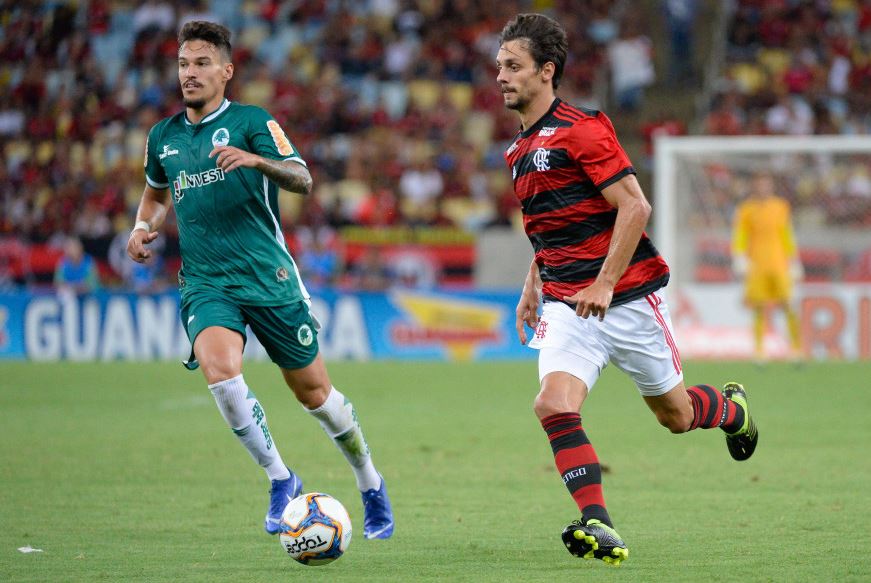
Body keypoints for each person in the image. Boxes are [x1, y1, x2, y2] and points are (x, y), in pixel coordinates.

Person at [496, 13, 758, 566]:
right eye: (499, 66)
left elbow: (635, 206)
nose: (501, 76)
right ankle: (597, 521)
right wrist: (533, 284)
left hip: (629, 300)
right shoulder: (517, 152)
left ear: (547, 71)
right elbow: (550, 227)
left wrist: (606, 282)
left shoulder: (583, 128)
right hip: (569, 305)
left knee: (677, 417)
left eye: (513, 66)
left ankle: (731, 409)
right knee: (551, 404)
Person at [127, 21, 393, 539]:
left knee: (316, 395)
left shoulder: (252, 121)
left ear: (227, 71)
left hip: (269, 279)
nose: (190, 73)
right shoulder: (162, 137)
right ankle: (281, 477)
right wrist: (141, 227)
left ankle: (370, 481)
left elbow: (303, 178)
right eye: (183, 64)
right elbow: (156, 195)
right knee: (222, 374)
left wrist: (255, 160)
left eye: (202, 63)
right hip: (206, 281)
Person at [731, 171, 803, 361]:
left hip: (779, 264)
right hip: (757, 265)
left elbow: (787, 234)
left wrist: (794, 260)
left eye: (766, 184)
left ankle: (796, 349)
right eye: (759, 184)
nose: (763, 188)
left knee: (788, 304)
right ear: (755, 186)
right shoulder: (746, 209)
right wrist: (739, 256)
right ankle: (759, 351)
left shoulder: (781, 207)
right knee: (759, 306)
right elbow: (741, 235)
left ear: (771, 186)